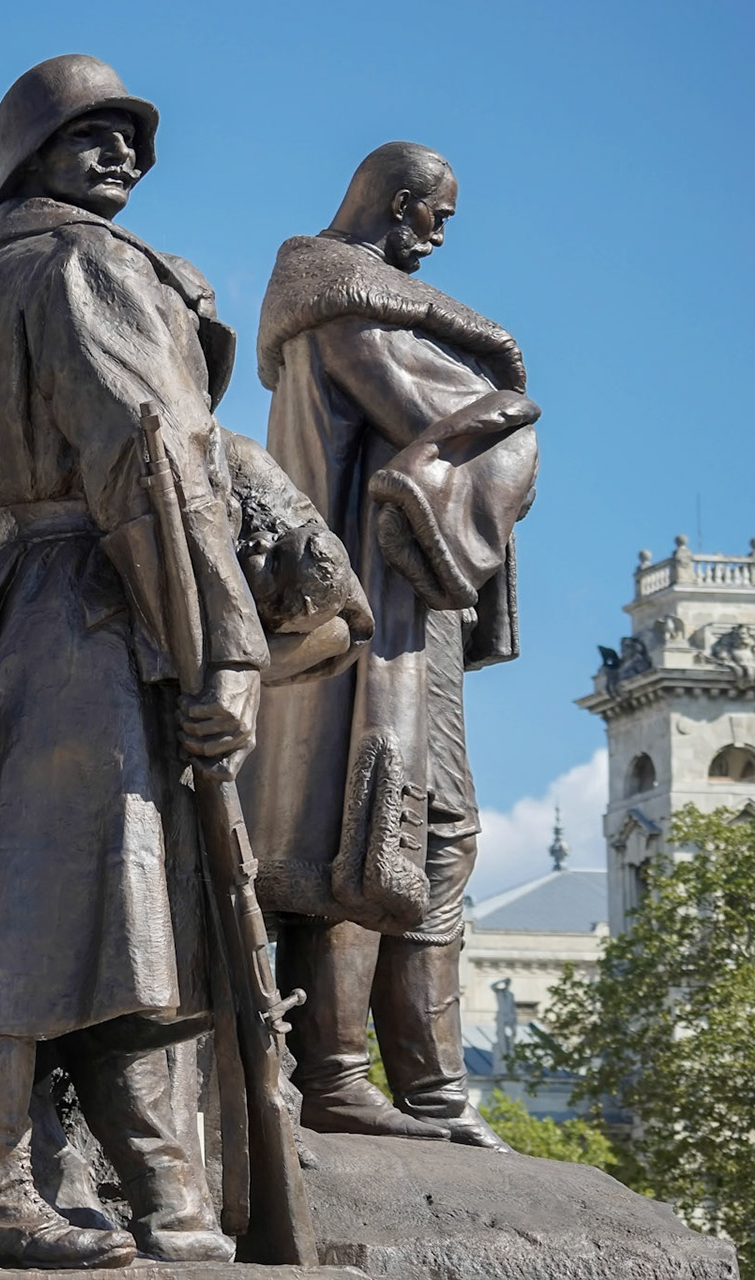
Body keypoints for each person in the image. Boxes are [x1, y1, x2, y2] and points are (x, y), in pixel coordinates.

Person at [0, 54, 283, 1268]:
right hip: (97, 605)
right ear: (27, 157)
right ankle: (56, 1190)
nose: (124, 157)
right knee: (100, 892)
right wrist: (222, 648)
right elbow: (150, 460)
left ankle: (154, 1189)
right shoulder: (92, 267)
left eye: (132, 140)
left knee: (50, 897)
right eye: (90, 137)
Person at [238, 142, 540, 1150]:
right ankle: (338, 1074)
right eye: (435, 211)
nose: (443, 233)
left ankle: (435, 1087)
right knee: (368, 827)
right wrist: (503, 401)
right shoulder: (345, 309)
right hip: (372, 613)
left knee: (435, 831)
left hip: (411, 609)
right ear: (398, 203)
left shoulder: (352, 308)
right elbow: (430, 418)